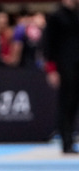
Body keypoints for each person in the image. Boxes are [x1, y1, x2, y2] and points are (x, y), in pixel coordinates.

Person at [43, 0, 79, 153]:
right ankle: (66, 141)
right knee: (66, 102)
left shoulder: (77, 14)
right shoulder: (56, 16)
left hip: (78, 64)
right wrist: (51, 69)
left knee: (75, 103)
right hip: (64, 65)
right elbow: (48, 43)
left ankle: (71, 137)